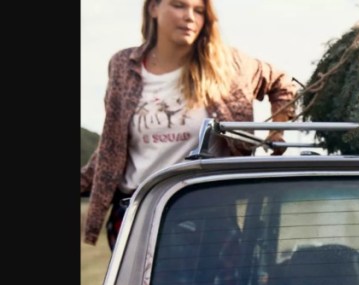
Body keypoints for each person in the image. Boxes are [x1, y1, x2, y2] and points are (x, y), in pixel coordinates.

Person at [80, 0, 298, 250]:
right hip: (135, 214)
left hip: (207, 215)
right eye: (178, 6)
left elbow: (283, 83)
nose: (189, 17)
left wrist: (278, 133)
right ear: (153, 8)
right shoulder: (123, 66)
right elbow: (113, 146)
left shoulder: (228, 65)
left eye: (199, 10)